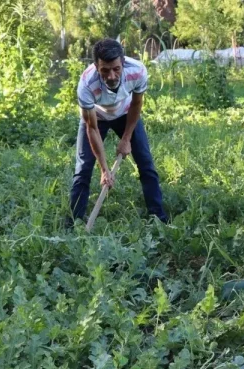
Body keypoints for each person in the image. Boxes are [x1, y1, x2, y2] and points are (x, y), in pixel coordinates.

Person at [66, 38, 168, 228]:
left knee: (146, 164)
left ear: (123, 63)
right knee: (83, 170)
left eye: (116, 69)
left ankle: (159, 219)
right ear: (96, 66)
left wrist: (126, 138)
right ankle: (73, 224)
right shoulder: (86, 84)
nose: (111, 76)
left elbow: (137, 104)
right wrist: (104, 170)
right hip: (96, 118)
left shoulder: (137, 71)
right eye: (105, 70)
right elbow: (92, 128)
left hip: (126, 114)